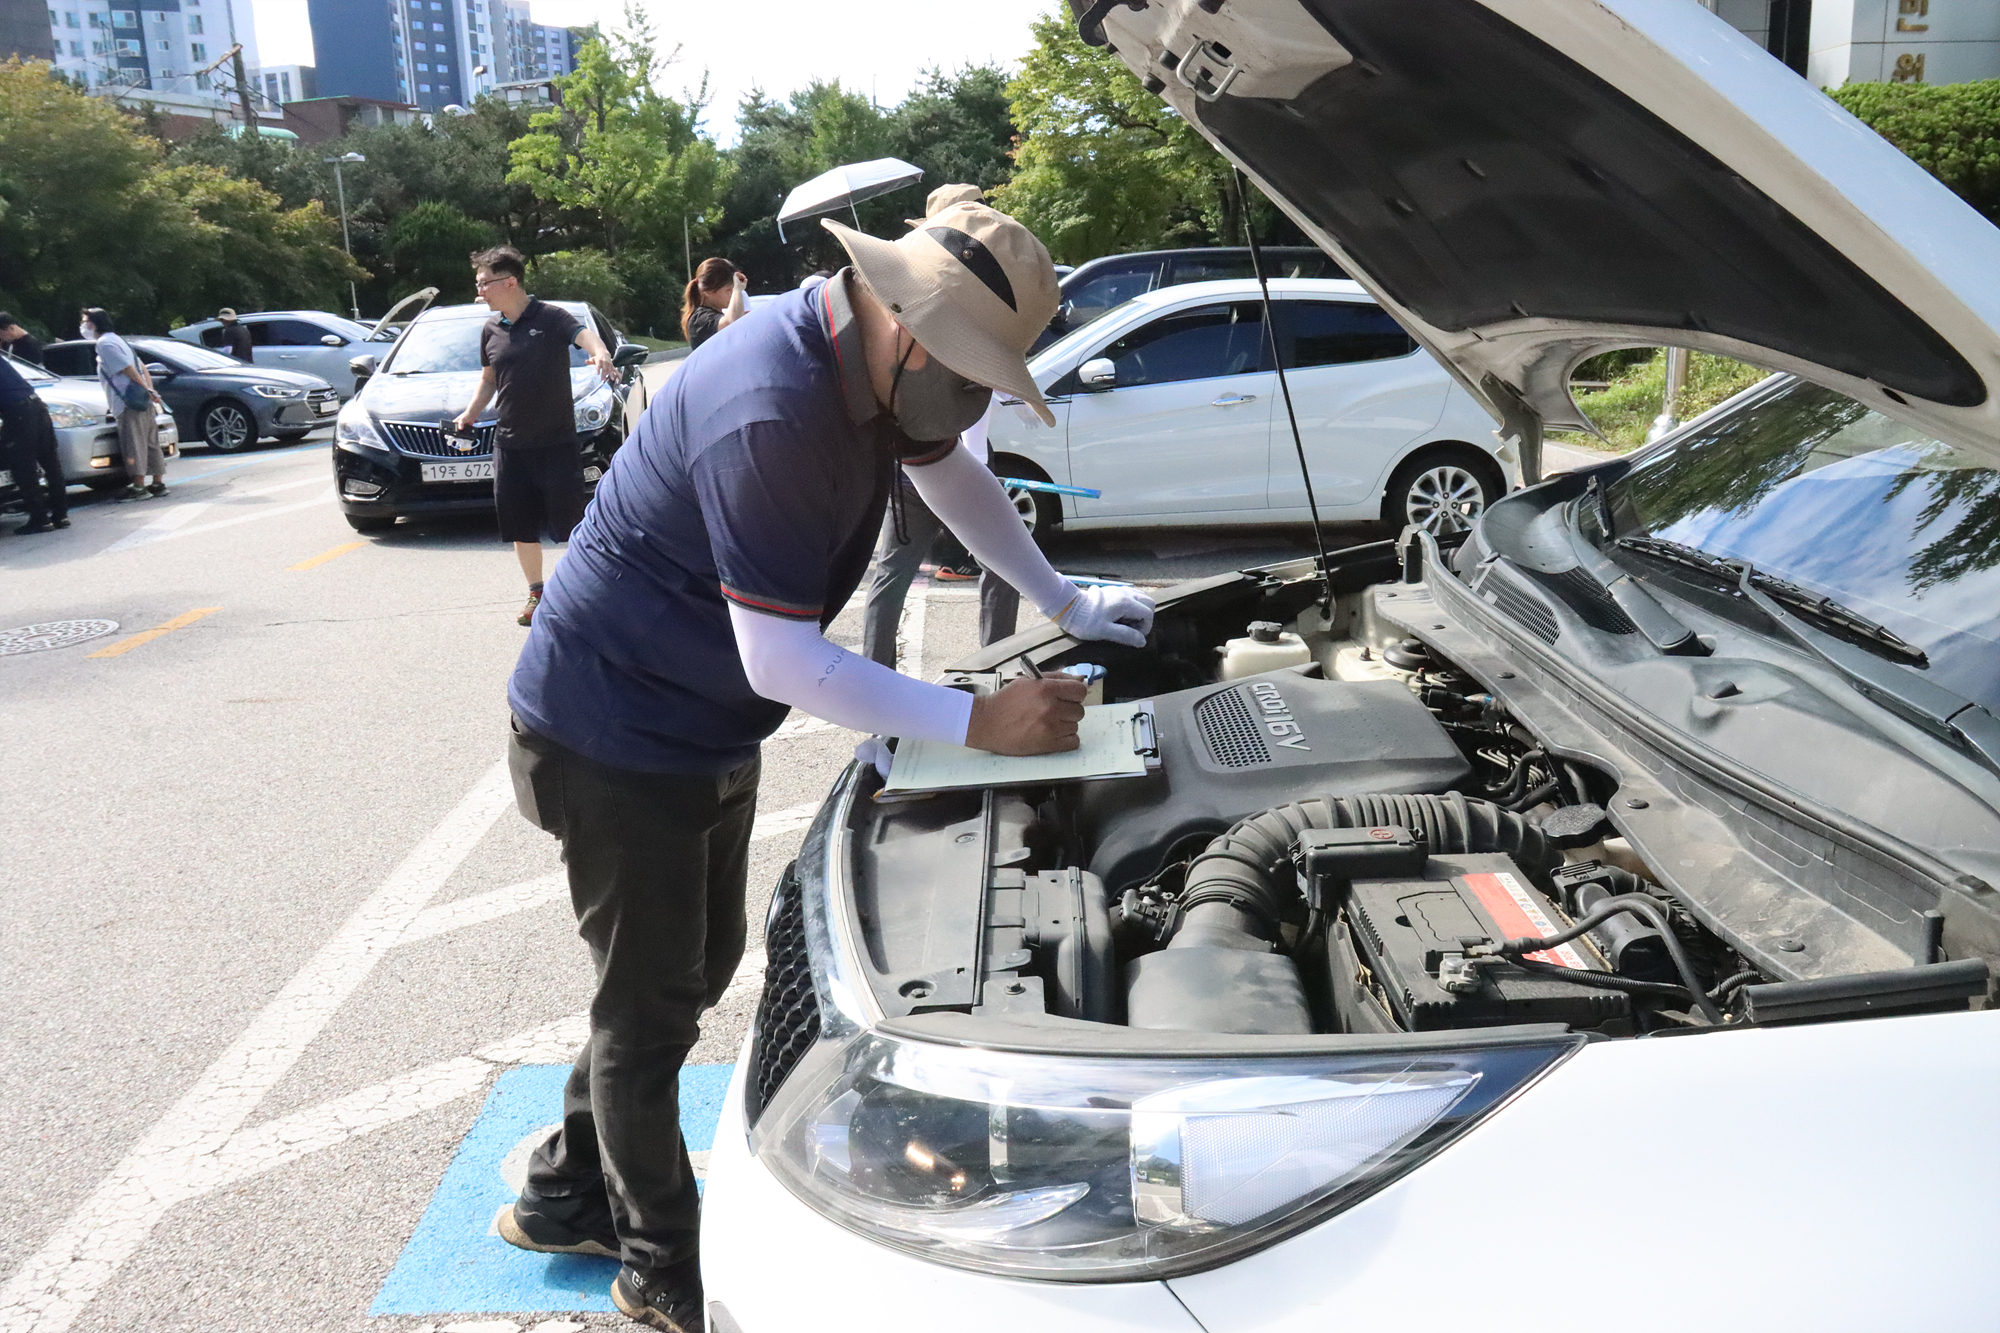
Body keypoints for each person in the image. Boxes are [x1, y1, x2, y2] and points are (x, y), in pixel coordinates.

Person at [499, 201, 1153, 1331]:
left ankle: (564, 1185)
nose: (973, 401)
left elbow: (952, 478)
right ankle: (658, 1264)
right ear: (904, 325)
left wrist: (1065, 598)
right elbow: (784, 656)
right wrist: (973, 719)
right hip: (612, 732)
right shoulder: (776, 408)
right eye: (967, 372)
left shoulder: (880, 370)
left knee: (683, 976)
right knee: (649, 1010)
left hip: (696, 720)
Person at [862, 184, 1024, 663]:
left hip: (967, 460)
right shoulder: (906, 296)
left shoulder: (985, 301)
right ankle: (882, 693)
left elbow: (1004, 384)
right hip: (919, 461)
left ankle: (993, 668)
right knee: (894, 577)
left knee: (1003, 567)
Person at [450, 245, 618, 627]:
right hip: (510, 446)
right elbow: (489, 379)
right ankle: (537, 592)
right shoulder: (491, 329)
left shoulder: (551, 317)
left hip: (556, 443)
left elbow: (584, 337)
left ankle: (584, 591)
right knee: (520, 525)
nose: (480, 293)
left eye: (484, 284)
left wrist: (601, 353)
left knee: (571, 523)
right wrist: (469, 414)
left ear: (509, 282)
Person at [83, 307, 166, 501]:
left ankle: (138, 486)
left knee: (134, 443)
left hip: (127, 401)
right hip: (140, 398)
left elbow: (128, 368)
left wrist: (146, 389)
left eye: (85, 321)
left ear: (92, 324)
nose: (83, 326)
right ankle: (158, 482)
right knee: (150, 441)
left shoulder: (104, 344)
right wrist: (149, 390)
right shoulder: (119, 339)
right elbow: (141, 366)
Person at [0, 352, 68, 533]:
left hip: (18, 413)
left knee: (23, 466)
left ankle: (40, 519)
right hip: (37, 406)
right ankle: (61, 514)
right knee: (50, 461)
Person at [679, 257, 746, 350]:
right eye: (729, 290)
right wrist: (737, 289)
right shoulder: (700, 319)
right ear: (709, 291)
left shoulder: (714, 315)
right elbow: (733, 324)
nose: (732, 294)